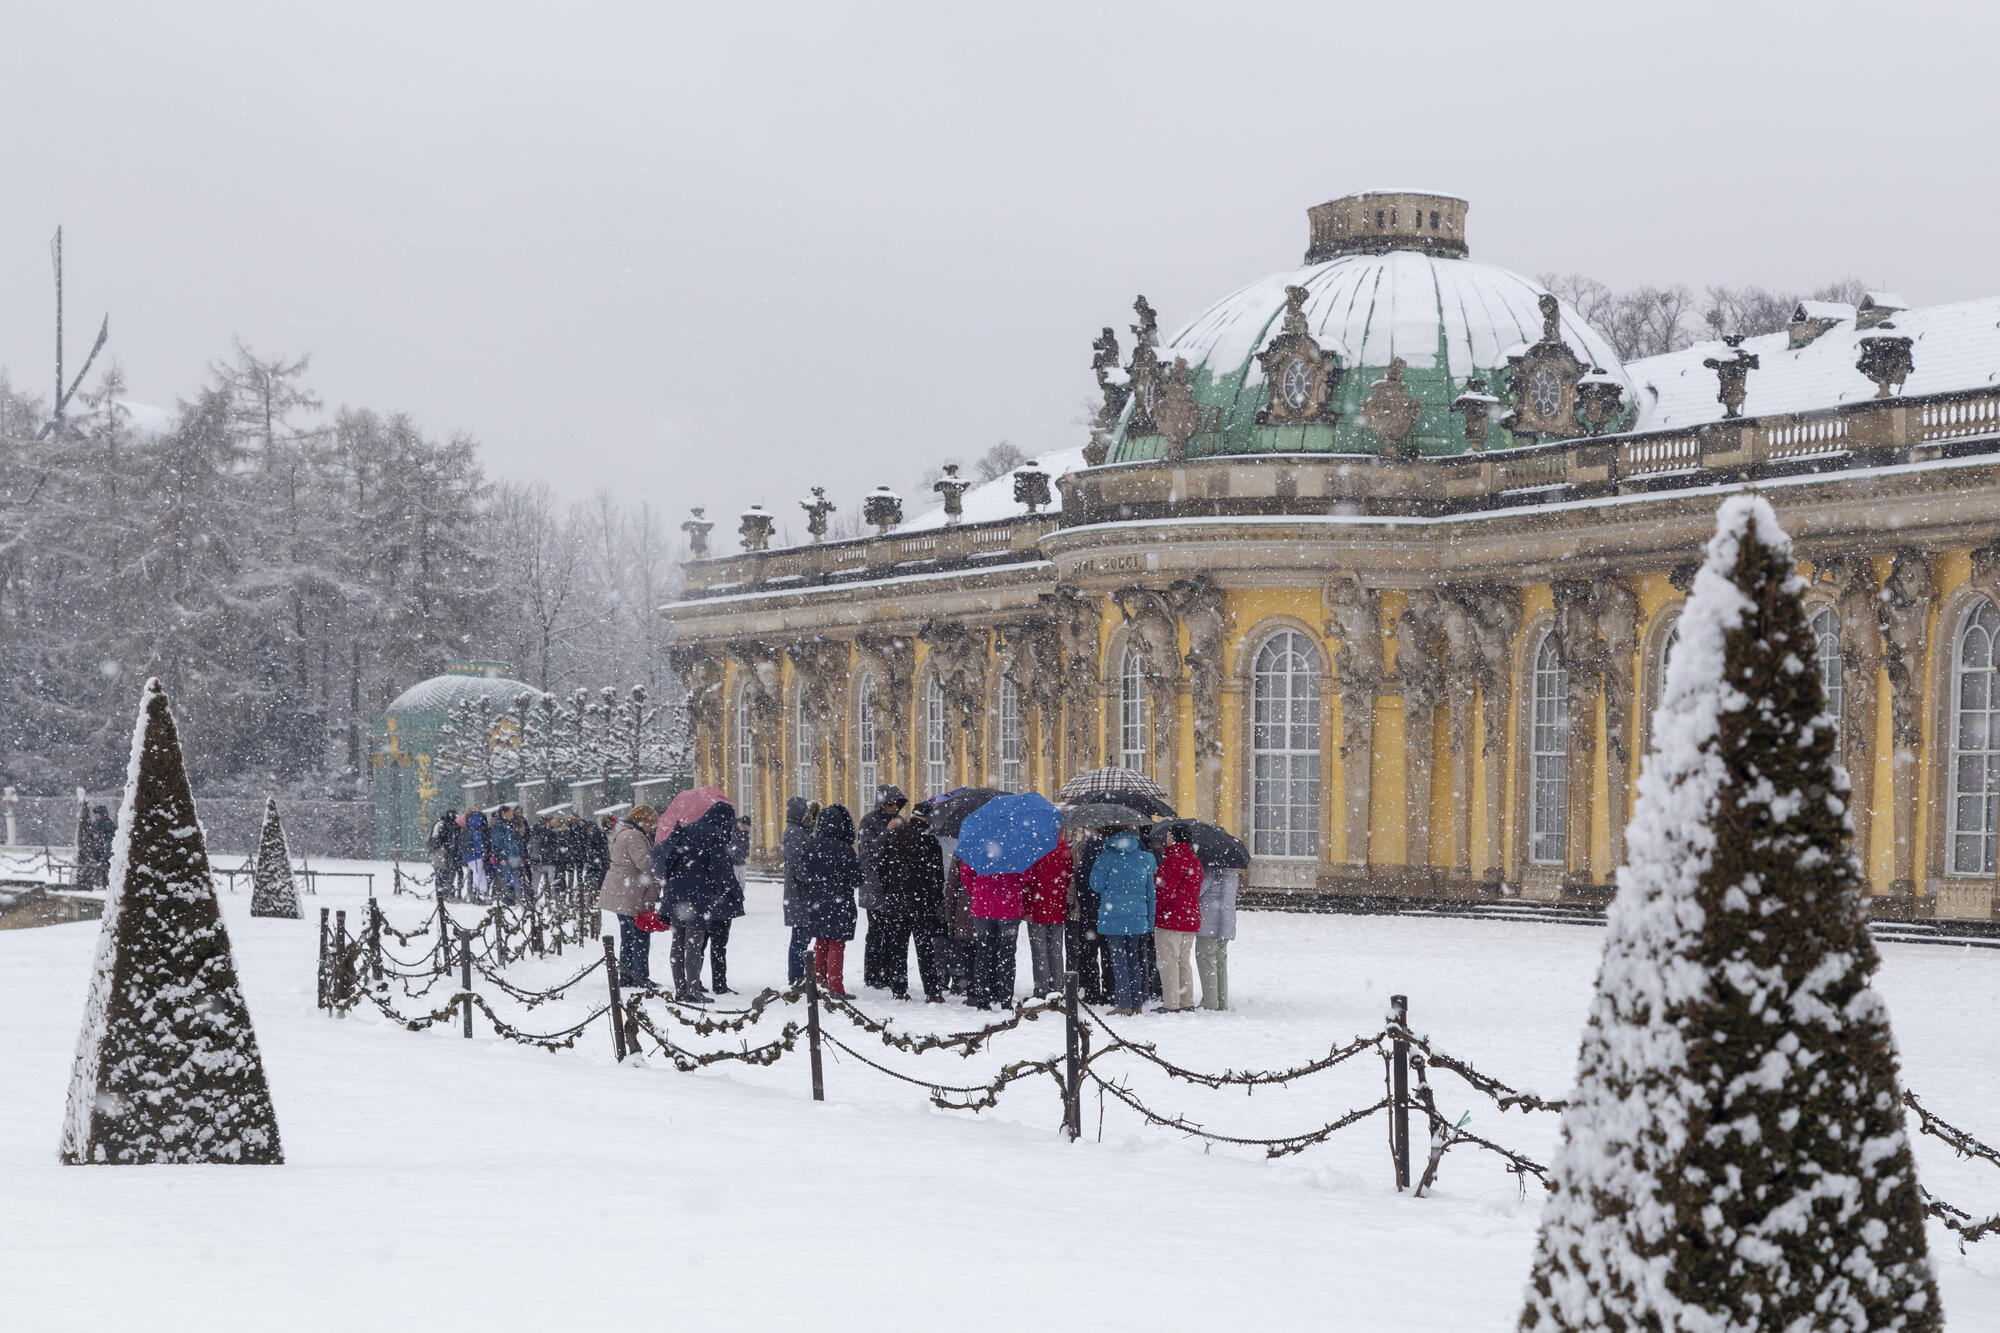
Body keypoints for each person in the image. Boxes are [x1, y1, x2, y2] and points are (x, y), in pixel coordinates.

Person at [659, 800, 738, 1003]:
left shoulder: (688, 828)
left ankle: (680, 989)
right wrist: (721, 889)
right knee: (694, 942)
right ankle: (693, 990)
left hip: (676, 892)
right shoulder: (716, 835)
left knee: (678, 941)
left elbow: (670, 859)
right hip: (698, 894)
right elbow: (720, 868)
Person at [873, 803, 948, 1002]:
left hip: (896, 903)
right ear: (927, 820)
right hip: (921, 904)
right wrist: (932, 901)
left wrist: (891, 891)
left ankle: (898, 989)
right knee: (925, 950)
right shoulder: (930, 843)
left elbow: (882, 868)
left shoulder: (894, 836)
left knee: (897, 947)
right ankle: (931, 991)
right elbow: (937, 878)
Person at [1088, 829, 1157, 1016]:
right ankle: (1136, 1003)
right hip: (1137, 918)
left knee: (1118, 960)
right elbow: (1150, 893)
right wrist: (1150, 921)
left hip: (1113, 917)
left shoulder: (1105, 857)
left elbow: (1095, 885)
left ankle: (1123, 1003)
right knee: (1134, 960)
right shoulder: (1143, 858)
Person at [799, 804, 860, 998]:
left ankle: (819, 983)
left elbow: (803, 873)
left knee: (821, 942)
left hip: (817, 901)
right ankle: (835, 986)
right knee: (836, 944)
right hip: (839, 902)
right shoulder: (844, 849)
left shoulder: (810, 845)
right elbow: (857, 878)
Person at [598, 804, 660, 988]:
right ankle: (640, 977)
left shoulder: (624, 832)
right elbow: (645, 863)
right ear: (642, 820)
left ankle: (627, 976)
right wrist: (660, 858)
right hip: (630, 891)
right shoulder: (633, 836)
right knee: (640, 935)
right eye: (651, 823)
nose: (652, 827)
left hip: (623, 890)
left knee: (628, 936)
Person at [856, 785, 905, 990]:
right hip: (875, 885)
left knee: (892, 932)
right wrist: (887, 832)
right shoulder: (868, 821)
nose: (894, 807)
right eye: (890, 803)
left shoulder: (901, 822)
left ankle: (887, 973)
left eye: (897, 804)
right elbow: (868, 853)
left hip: (893, 886)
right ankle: (872, 975)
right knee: (876, 932)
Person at [958, 859, 1025, 1010]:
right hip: (1009, 906)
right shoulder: (1015, 845)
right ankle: (1006, 1001)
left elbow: (966, 873)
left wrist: (977, 891)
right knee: (1007, 956)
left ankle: (982, 999)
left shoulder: (979, 845)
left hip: (983, 905)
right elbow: (1028, 875)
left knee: (983, 953)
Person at [1153, 827, 1203, 1012]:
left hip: (1171, 918)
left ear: (1173, 838)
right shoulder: (1195, 861)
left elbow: (1163, 891)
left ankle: (1171, 1004)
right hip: (1189, 918)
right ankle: (1186, 1001)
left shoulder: (1172, 861)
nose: (1165, 839)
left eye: (1167, 836)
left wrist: (1155, 912)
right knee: (1184, 961)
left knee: (1169, 962)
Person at [1022, 836, 1071, 998]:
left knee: (1039, 951)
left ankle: (1041, 989)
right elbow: (1068, 874)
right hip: (1057, 905)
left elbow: (1026, 876)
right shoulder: (1063, 846)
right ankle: (1057, 988)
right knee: (1056, 950)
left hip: (1036, 906)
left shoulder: (1032, 846)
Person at [1070, 831, 1113, 1004]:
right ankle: (1110, 991)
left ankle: (1092, 990)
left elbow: (1080, 891)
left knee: (1088, 956)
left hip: (1088, 917)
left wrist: (1086, 909)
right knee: (1108, 955)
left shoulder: (1084, 866)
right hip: (1107, 915)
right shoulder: (1107, 864)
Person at [710, 814, 751, 994]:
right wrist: (738, 896)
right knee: (718, 944)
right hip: (720, 904)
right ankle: (719, 983)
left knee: (704, 945)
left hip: (710, 903)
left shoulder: (710, 844)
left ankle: (695, 983)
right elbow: (728, 879)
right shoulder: (721, 849)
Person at [781, 798, 819, 984]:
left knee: (802, 934)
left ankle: (799, 974)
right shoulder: (795, 833)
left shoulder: (799, 832)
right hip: (799, 893)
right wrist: (810, 879)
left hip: (800, 892)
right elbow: (795, 862)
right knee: (800, 936)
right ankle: (796, 976)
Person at [937, 834, 977, 995]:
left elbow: (953, 884)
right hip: (986, 908)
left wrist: (949, 913)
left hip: (965, 908)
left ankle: (964, 983)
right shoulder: (997, 849)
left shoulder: (963, 851)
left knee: (965, 948)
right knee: (983, 948)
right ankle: (981, 984)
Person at [1196, 862, 1238, 1011]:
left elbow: (1196, 892)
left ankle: (1210, 1002)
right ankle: (1221, 1001)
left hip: (1208, 923)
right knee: (1220, 962)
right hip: (1226, 924)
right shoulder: (1231, 873)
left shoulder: (1209, 872)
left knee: (1206, 961)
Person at [489, 804, 525, 906]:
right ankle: (508, 900)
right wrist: (500, 857)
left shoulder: (510, 825)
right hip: (506, 856)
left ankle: (517, 899)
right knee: (507, 879)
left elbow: (514, 841)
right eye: (509, 813)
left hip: (514, 855)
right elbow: (497, 843)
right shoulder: (499, 826)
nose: (511, 815)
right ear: (503, 814)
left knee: (515, 877)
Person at [526, 814, 560, 905]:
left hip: (537, 861)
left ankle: (533, 898)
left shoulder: (535, 832)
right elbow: (553, 847)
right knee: (550, 881)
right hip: (547, 861)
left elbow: (530, 846)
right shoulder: (550, 833)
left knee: (535, 882)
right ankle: (550, 898)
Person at [427, 808, 460, 897]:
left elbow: (432, 839)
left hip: (437, 853)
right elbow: (443, 840)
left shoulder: (439, 823)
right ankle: (443, 893)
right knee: (445, 873)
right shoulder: (445, 825)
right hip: (442, 853)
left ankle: (441, 893)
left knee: (440, 874)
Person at [461, 809, 490, 903]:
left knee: (480, 874)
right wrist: (482, 852)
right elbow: (479, 845)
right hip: (476, 856)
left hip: (469, 857)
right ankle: (478, 894)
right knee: (479, 875)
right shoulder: (477, 831)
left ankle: (479, 894)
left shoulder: (467, 829)